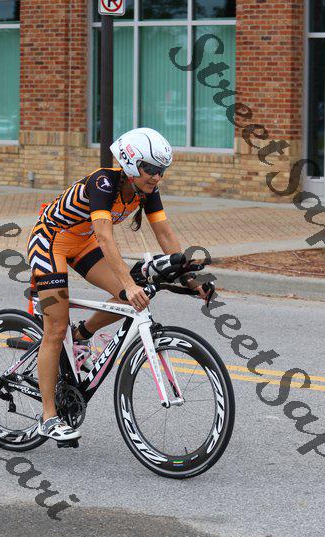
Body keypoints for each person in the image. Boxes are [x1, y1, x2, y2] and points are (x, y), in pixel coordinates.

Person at [27, 127, 208, 442]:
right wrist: (128, 282)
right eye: (150, 169)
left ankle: (81, 335)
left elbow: (164, 233)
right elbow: (104, 235)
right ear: (131, 164)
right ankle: (48, 417)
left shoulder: (146, 190)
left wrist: (190, 279)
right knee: (55, 328)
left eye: (162, 170)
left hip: (81, 244)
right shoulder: (103, 183)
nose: (157, 177)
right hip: (50, 241)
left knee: (133, 297)